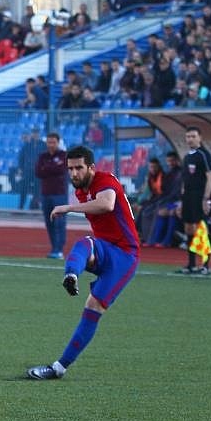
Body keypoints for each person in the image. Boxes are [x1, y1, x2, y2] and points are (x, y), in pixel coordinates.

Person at [27, 145, 140, 380]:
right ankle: (71, 275)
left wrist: (69, 208)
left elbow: (107, 204)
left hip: (124, 255)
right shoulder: (81, 190)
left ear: (91, 167)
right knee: (84, 243)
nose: (74, 173)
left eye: (79, 168)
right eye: (70, 169)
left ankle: (59, 367)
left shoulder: (105, 180)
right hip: (104, 247)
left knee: (93, 307)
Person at [176, 126, 211, 274]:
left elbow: (210, 176)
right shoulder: (187, 157)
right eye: (188, 136)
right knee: (188, 228)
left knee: (201, 229)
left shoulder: (204, 155)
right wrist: (181, 201)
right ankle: (191, 264)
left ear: (200, 138)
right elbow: (185, 180)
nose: (190, 139)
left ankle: (206, 264)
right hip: (188, 197)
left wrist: (206, 198)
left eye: (193, 136)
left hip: (199, 196)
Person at [36, 132, 69, 258]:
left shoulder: (63, 155)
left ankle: (59, 249)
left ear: (58, 142)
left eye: (53, 142)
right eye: (49, 142)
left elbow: (61, 170)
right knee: (49, 222)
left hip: (59, 194)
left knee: (59, 222)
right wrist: (52, 168)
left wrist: (47, 168)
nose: (51, 145)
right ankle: (54, 248)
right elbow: (38, 172)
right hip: (46, 193)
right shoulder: (42, 156)